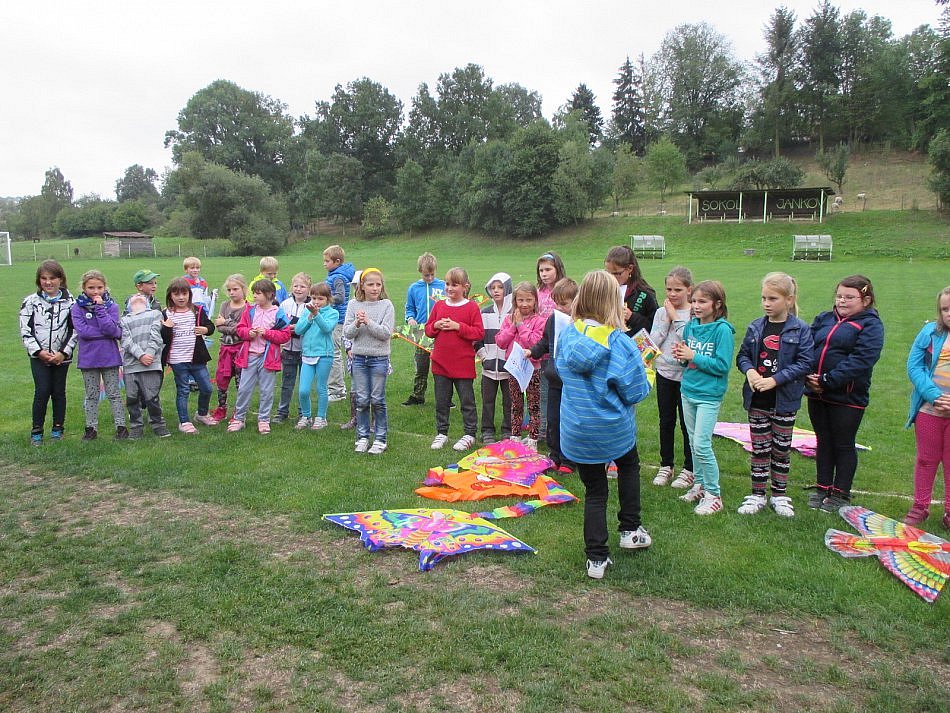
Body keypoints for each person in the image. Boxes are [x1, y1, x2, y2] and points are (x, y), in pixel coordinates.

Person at [555, 270, 652, 580]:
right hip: (612, 428)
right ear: (613, 301)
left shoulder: (567, 335)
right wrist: (647, 373)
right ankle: (630, 529)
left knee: (595, 490)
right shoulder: (620, 343)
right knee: (629, 465)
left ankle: (596, 558)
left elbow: (561, 371)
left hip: (578, 428)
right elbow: (635, 392)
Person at [735, 273, 814, 518]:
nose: (766, 303)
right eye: (764, 298)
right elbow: (743, 355)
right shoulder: (755, 326)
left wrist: (774, 380)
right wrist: (749, 371)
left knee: (781, 449)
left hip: (785, 401)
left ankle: (779, 495)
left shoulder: (800, 329)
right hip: (757, 399)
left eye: (772, 298)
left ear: (789, 300)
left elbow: (805, 362)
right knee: (759, 449)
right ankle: (757, 494)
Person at [805, 275, 884, 512]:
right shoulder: (824, 318)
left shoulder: (871, 325)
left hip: (848, 397)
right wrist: (808, 376)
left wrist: (828, 380)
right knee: (823, 440)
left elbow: (862, 359)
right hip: (816, 393)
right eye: (839, 296)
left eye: (849, 297)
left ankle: (841, 493)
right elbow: (806, 346)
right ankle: (822, 488)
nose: (842, 301)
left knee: (843, 443)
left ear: (865, 300)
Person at [673, 280, 735, 515]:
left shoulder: (722, 330)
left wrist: (693, 355)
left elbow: (722, 365)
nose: (696, 306)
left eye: (702, 302)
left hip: (709, 395)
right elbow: (687, 361)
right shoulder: (691, 326)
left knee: (701, 444)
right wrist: (682, 357)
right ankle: (699, 485)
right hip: (688, 390)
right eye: (694, 301)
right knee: (692, 442)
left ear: (717, 304)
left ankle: (714, 494)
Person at [904, 286, 950, 529]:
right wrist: (934, 396)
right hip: (929, 411)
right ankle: (920, 506)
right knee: (926, 460)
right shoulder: (929, 332)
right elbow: (914, 367)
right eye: (945, 309)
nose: (949, 313)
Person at [425, 267, 485, 452]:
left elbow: (478, 333)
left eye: (455, 285)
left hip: (463, 364)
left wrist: (458, 326)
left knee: (467, 401)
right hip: (440, 363)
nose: (450, 288)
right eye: (447, 284)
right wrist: (436, 324)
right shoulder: (439, 306)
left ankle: (469, 433)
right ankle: (442, 432)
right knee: (442, 401)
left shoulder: (471, 307)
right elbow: (428, 330)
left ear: (465, 287)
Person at [20, 259, 76, 445]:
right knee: (42, 390)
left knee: (58, 392)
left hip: (61, 357)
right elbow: (26, 331)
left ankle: (58, 429)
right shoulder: (30, 302)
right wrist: (39, 352)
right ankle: (37, 431)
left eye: (52, 278)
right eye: (44, 278)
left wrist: (63, 353)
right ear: (39, 280)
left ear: (61, 279)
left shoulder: (71, 302)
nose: (48, 282)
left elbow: (75, 330)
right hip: (39, 357)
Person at [228, 279, 293, 434]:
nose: (255, 296)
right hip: (249, 356)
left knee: (266, 391)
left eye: (258, 293)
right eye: (254, 293)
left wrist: (267, 333)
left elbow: (285, 335)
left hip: (268, 358)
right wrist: (248, 333)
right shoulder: (250, 311)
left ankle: (264, 419)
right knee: (244, 388)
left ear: (269, 294)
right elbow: (240, 329)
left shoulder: (278, 313)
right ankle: (239, 418)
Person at [649, 266, 694, 488]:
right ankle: (666, 464)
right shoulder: (661, 312)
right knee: (666, 421)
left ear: (689, 290)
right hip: (664, 373)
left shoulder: (695, 312)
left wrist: (675, 317)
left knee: (687, 424)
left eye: (678, 289)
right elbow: (652, 342)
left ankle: (689, 468)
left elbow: (690, 339)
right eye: (669, 289)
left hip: (687, 376)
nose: (672, 294)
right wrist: (665, 321)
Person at [71, 269, 128, 441]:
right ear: (84, 288)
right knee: (91, 394)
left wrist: (100, 309)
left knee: (114, 393)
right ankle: (91, 428)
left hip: (109, 357)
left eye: (99, 287)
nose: (95, 291)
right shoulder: (77, 307)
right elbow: (83, 332)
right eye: (91, 288)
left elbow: (111, 329)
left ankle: (121, 427)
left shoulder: (112, 306)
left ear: (105, 287)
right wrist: (107, 333)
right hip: (88, 359)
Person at [529, 278, 578, 473]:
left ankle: (568, 460)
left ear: (576, 301)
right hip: (554, 379)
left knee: (568, 421)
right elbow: (545, 342)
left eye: (564, 304)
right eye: (557, 303)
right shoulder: (553, 319)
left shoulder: (580, 322)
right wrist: (532, 351)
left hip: (571, 382)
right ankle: (554, 455)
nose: (559, 308)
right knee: (553, 419)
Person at [344, 268, 394, 454]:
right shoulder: (353, 305)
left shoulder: (386, 305)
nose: (374, 288)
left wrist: (368, 322)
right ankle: (362, 437)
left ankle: (380, 439)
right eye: (370, 284)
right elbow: (347, 333)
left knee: (377, 399)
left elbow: (385, 333)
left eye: (378, 284)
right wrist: (357, 323)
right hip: (359, 359)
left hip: (379, 359)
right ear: (362, 286)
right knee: (362, 400)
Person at [160, 278, 217, 434]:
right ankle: (184, 422)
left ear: (189, 295)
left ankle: (202, 414)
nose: (181, 297)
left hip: (197, 358)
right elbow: (163, 338)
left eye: (184, 294)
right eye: (176, 294)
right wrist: (167, 328)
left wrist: (206, 330)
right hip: (177, 359)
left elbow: (210, 326)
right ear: (170, 296)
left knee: (207, 388)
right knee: (183, 390)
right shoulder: (166, 313)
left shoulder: (197, 310)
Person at [495, 282, 547, 450]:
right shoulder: (509, 319)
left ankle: (533, 439)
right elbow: (501, 342)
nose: (524, 304)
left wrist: (520, 326)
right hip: (514, 369)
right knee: (516, 404)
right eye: (521, 300)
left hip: (533, 369)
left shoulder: (540, 321)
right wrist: (513, 325)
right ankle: (515, 436)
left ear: (535, 300)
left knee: (533, 404)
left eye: (529, 300)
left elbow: (534, 343)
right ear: (515, 301)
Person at [120, 293, 169, 439]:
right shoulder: (124, 320)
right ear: (128, 306)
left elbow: (156, 336)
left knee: (152, 397)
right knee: (132, 398)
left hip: (151, 364)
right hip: (131, 365)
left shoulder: (155, 314)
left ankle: (158, 424)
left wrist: (149, 353)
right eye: (133, 297)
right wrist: (140, 355)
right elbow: (126, 340)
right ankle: (136, 426)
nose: (137, 295)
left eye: (141, 297)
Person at [402, 252, 446, 406]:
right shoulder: (413, 288)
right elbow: (409, 308)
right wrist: (410, 318)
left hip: (441, 332)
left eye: (432, 274)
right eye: (427, 275)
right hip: (421, 333)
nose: (430, 278)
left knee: (442, 367)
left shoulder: (443, 286)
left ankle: (445, 398)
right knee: (421, 366)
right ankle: (418, 396)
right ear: (420, 271)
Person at [475, 272, 513, 444]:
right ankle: (487, 430)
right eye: (493, 287)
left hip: (509, 369)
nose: (496, 291)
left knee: (509, 402)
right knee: (487, 401)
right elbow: (477, 339)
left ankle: (508, 430)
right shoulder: (484, 313)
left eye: (500, 287)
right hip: (489, 369)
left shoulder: (514, 313)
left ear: (508, 289)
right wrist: (484, 357)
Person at [295, 282, 337, 431]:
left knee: (321, 387)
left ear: (328, 299)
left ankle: (321, 417)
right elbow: (298, 330)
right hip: (307, 354)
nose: (316, 302)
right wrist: (309, 317)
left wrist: (317, 315)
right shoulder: (307, 311)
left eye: (320, 299)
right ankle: (306, 416)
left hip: (324, 355)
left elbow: (326, 328)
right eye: (314, 298)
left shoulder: (333, 313)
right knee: (303, 390)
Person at [535, 251, 567, 440]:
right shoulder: (538, 293)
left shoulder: (564, 291)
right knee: (543, 393)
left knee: (559, 393)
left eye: (548, 269)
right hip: (542, 350)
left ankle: (557, 430)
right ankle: (542, 429)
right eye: (541, 270)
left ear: (558, 269)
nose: (544, 274)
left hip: (561, 352)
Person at [275, 272, 312, 423]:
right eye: (296, 286)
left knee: (304, 385)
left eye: (302, 286)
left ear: (309, 289)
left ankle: (304, 413)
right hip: (288, 349)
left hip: (306, 350)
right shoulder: (285, 304)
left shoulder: (312, 306)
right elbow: (279, 323)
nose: (298, 289)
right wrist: (287, 328)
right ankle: (282, 411)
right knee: (287, 383)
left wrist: (299, 327)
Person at [211, 274, 247, 422]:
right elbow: (218, 327)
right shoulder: (225, 305)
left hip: (240, 350)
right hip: (225, 349)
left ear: (243, 289)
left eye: (235, 289)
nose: (232, 292)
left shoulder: (248, 308)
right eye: (229, 290)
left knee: (240, 382)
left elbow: (242, 330)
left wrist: (225, 322)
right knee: (221, 379)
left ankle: (239, 411)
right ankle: (221, 408)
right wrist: (229, 326)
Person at [323, 245, 357, 402]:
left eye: (327, 261)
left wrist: (324, 299)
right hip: (334, 319)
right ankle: (336, 387)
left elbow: (341, 297)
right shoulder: (335, 275)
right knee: (333, 351)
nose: (324, 264)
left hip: (337, 320)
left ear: (337, 261)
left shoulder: (338, 277)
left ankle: (337, 390)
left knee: (334, 353)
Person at [604, 245, 659, 337]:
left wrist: (632, 317)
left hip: (633, 343)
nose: (611, 278)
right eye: (608, 273)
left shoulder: (645, 294)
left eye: (617, 273)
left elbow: (655, 328)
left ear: (630, 268)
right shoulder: (603, 289)